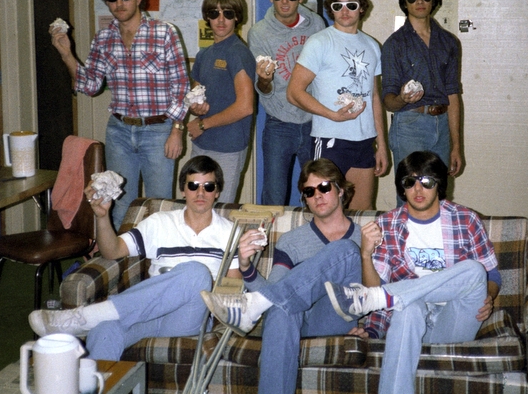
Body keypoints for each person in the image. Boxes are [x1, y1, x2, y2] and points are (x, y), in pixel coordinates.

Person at [27, 156, 240, 361]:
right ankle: (95, 377)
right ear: (183, 190)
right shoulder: (159, 222)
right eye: (193, 185)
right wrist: (102, 217)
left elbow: (234, 289)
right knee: (105, 330)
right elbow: (112, 251)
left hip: (188, 318)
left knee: (196, 273)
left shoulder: (230, 232)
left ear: (217, 192)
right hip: (148, 313)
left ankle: (88, 316)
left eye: (208, 186)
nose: (200, 192)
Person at [323, 151, 501, 394]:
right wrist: (365, 254)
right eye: (410, 182)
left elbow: (492, 276)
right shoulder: (386, 225)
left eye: (426, 181)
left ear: (439, 184)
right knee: (408, 307)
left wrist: (488, 295)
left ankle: (386, 296)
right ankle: (390, 298)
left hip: (455, 316)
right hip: (410, 319)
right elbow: (375, 285)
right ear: (402, 188)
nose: (418, 189)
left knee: (474, 271)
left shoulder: (466, 219)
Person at [201, 158, 363, 394]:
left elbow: (381, 289)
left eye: (324, 187)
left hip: (336, 317)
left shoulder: (364, 237)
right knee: (280, 306)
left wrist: (372, 329)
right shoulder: (291, 241)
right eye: (309, 191)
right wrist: (246, 267)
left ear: (340, 190)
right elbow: (275, 290)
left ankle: (251, 306)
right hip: (296, 321)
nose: (317, 196)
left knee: (346, 249)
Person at [50, 0, 190, 230]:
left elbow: (181, 86)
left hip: (158, 131)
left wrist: (177, 130)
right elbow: (90, 85)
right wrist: (67, 54)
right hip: (119, 132)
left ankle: (156, 257)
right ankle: (120, 256)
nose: (119, 3)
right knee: (119, 205)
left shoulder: (164, 32)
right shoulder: (104, 38)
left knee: (159, 206)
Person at [287, 0, 388, 210]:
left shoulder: (372, 46)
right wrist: (331, 115)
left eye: (351, 5)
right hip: (330, 139)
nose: (344, 11)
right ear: (330, 9)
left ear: (361, 7)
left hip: (364, 141)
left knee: (361, 213)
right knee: (325, 210)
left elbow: (374, 96)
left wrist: (382, 145)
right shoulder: (319, 42)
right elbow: (294, 92)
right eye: (337, 5)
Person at [247, 0, 326, 205]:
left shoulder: (317, 25)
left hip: (314, 123)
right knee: (274, 196)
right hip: (279, 124)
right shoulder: (259, 33)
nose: (284, 0)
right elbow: (263, 89)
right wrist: (264, 79)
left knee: (318, 194)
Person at [381, 0, 464, 206]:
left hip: (443, 126)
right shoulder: (394, 44)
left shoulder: (449, 42)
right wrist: (402, 98)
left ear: (434, 0)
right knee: (410, 197)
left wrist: (457, 146)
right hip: (409, 126)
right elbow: (388, 101)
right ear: (404, 2)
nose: (420, 1)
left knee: (439, 197)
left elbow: (453, 95)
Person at [187, 0, 256, 204]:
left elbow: (245, 106)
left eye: (227, 13)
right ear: (207, 17)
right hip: (202, 142)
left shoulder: (238, 52)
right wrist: (196, 108)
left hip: (228, 147)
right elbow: (195, 98)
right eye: (214, 13)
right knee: (197, 207)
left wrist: (203, 124)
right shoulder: (204, 54)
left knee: (219, 210)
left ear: (237, 16)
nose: (221, 19)